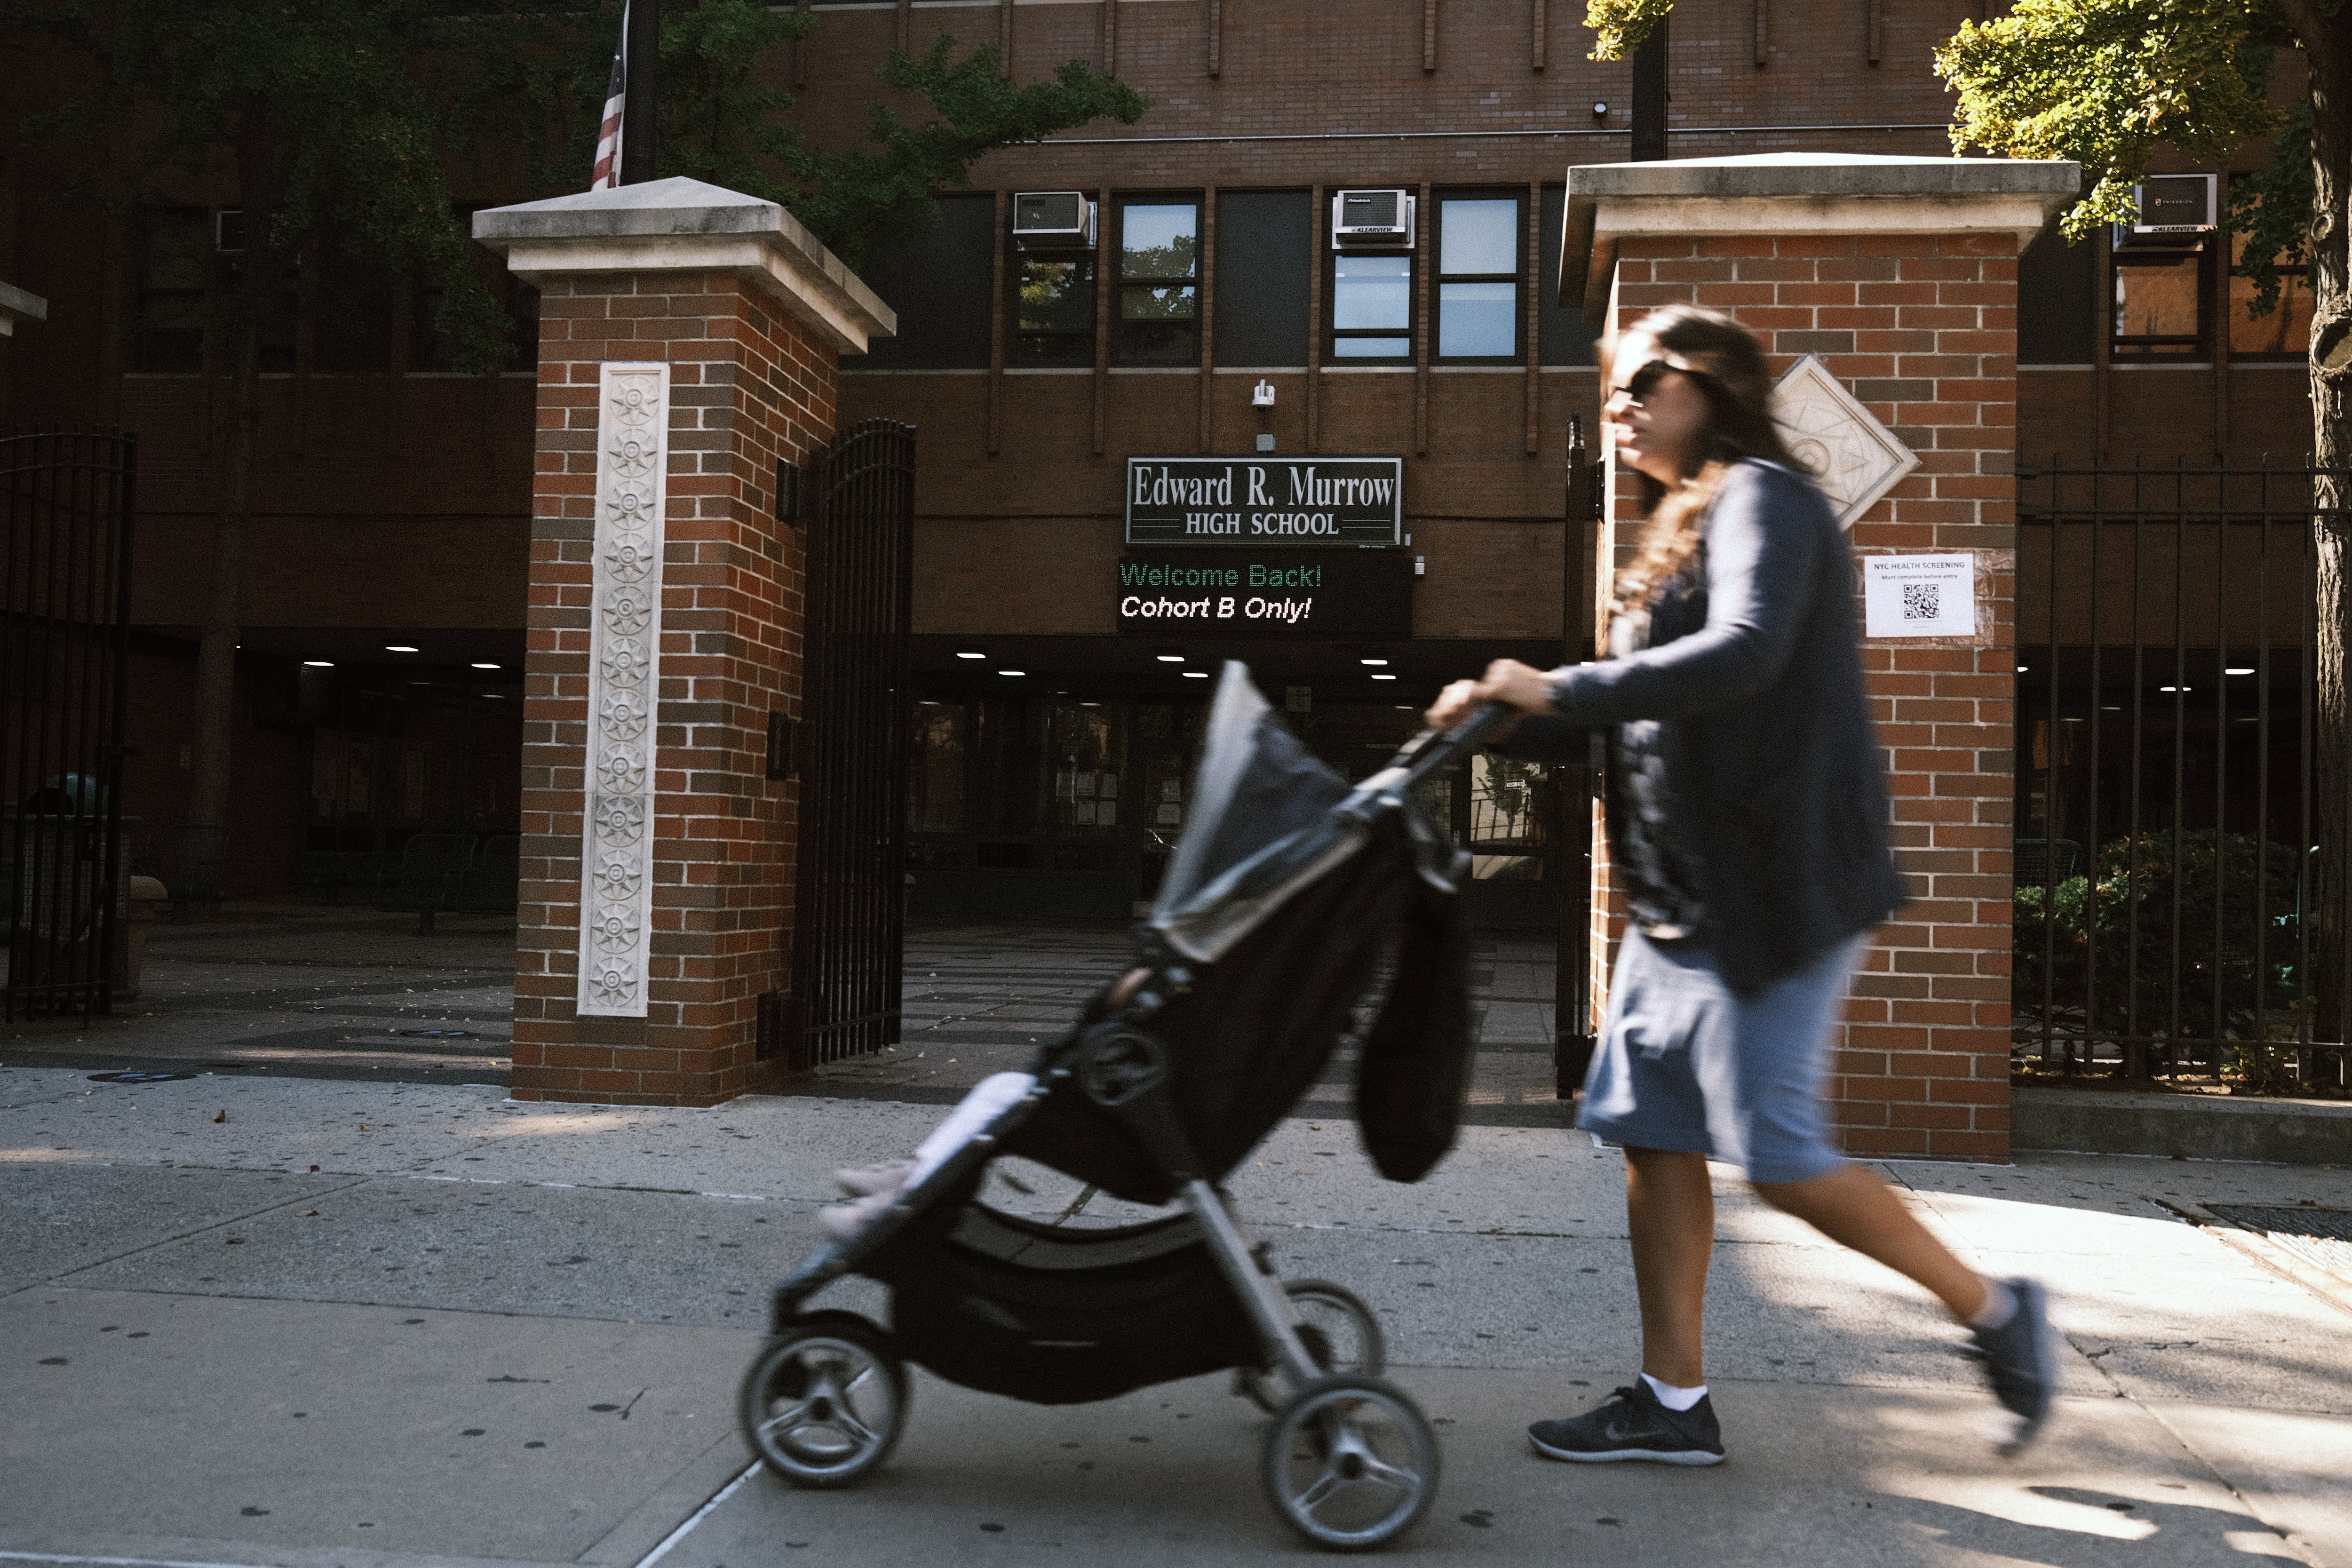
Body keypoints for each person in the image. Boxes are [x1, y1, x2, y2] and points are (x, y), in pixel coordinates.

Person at [1426, 304, 2054, 1466]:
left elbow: (1748, 652)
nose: (1614, 405)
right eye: (1609, 387)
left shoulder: (1768, 496)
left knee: (1779, 1152)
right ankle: (1672, 1403)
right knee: (1652, 1130)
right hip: (1685, 901)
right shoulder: (1680, 522)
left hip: (1778, 884)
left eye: (1636, 384)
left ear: (1705, 385)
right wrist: (1507, 716)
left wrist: (1558, 687)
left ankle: (1998, 1311)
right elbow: (1653, 722)